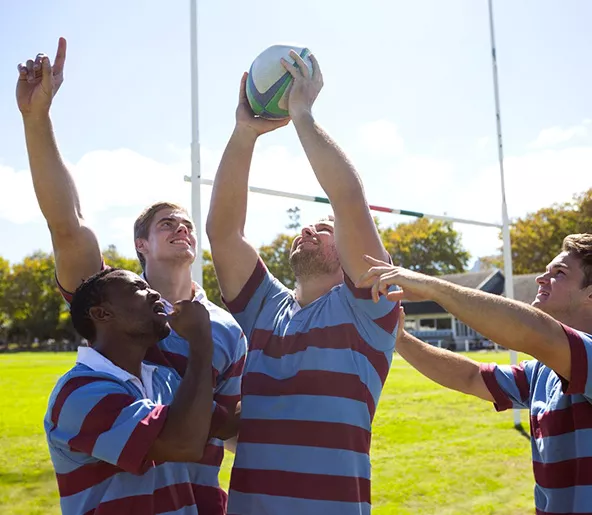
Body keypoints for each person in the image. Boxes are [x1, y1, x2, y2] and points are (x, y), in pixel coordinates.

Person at [16, 38, 246, 513]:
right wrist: (37, 120)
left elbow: (234, 428)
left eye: (187, 224)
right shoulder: (113, 296)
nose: (181, 228)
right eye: (166, 223)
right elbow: (68, 224)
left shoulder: (226, 329)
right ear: (141, 245)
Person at [206, 51, 400, 515]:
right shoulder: (261, 308)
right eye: (309, 224)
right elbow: (223, 234)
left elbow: (348, 198)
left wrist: (303, 115)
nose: (309, 229)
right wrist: (244, 133)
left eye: (325, 228)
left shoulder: (371, 311)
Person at [356, 234, 592, 515]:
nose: (542, 278)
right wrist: (401, 338)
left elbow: (533, 332)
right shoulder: (543, 372)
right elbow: (470, 377)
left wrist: (433, 288)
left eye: (559, 273)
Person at [45, 268, 235, 514]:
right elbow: (182, 444)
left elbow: (225, 424)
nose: (154, 293)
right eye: (138, 288)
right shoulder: (79, 394)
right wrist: (200, 340)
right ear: (101, 313)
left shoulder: (163, 379)